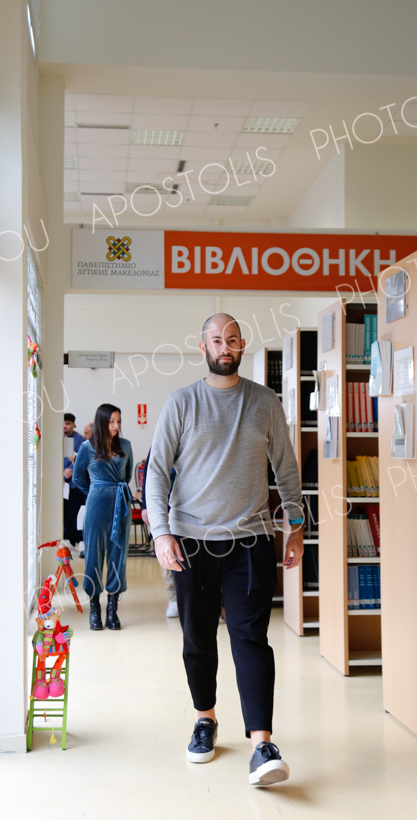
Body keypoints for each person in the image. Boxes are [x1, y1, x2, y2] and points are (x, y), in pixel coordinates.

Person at [146, 313, 304, 787]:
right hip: (190, 542)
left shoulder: (264, 401)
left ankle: (262, 745)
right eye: (216, 340)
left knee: (250, 639)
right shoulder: (182, 402)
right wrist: (161, 533)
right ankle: (205, 719)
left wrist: (295, 526)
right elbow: (157, 471)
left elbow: (287, 469)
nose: (224, 346)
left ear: (241, 344)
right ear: (203, 348)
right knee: (197, 638)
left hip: (249, 541)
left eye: (232, 339)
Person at [72, 404, 133, 631]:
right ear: (102, 422)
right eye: (111, 421)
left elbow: (126, 476)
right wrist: (96, 490)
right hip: (96, 506)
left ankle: (112, 609)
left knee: (118, 556)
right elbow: (78, 477)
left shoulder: (125, 445)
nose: (116, 426)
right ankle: (95, 607)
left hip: (120, 506)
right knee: (93, 556)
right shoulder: (87, 447)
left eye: (119, 421)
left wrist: (111, 490)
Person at [140, 450, 178, 618]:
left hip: (192, 508)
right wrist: (145, 506)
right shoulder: (161, 441)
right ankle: (173, 598)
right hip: (166, 506)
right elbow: (150, 475)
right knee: (169, 553)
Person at [63, 413, 86, 549]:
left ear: (73, 424)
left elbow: (80, 459)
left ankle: (80, 541)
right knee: (65, 514)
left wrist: (67, 472)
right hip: (60, 483)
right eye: (63, 423)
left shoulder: (79, 440)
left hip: (73, 484)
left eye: (68, 423)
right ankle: (69, 541)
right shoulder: (57, 438)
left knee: (75, 512)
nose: (65, 426)